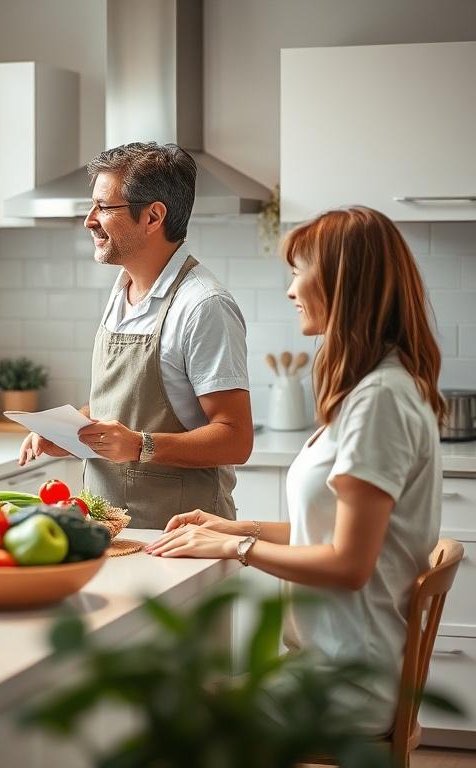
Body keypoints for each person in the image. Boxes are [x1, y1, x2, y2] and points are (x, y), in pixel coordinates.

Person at [146, 206, 446, 735]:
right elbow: (332, 534)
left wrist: (236, 550)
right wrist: (239, 528)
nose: (290, 290)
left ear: (341, 283)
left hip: (347, 682)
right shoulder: (373, 390)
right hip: (328, 666)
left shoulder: (379, 400)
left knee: (155, 717)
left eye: (298, 270)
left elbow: (349, 565)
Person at [18, 142, 254, 528]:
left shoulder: (202, 305)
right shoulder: (122, 290)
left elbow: (235, 438)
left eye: (104, 207)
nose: (89, 220)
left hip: (179, 538)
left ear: (152, 216)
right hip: (108, 530)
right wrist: (72, 431)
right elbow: (126, 407)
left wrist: (141, 446)